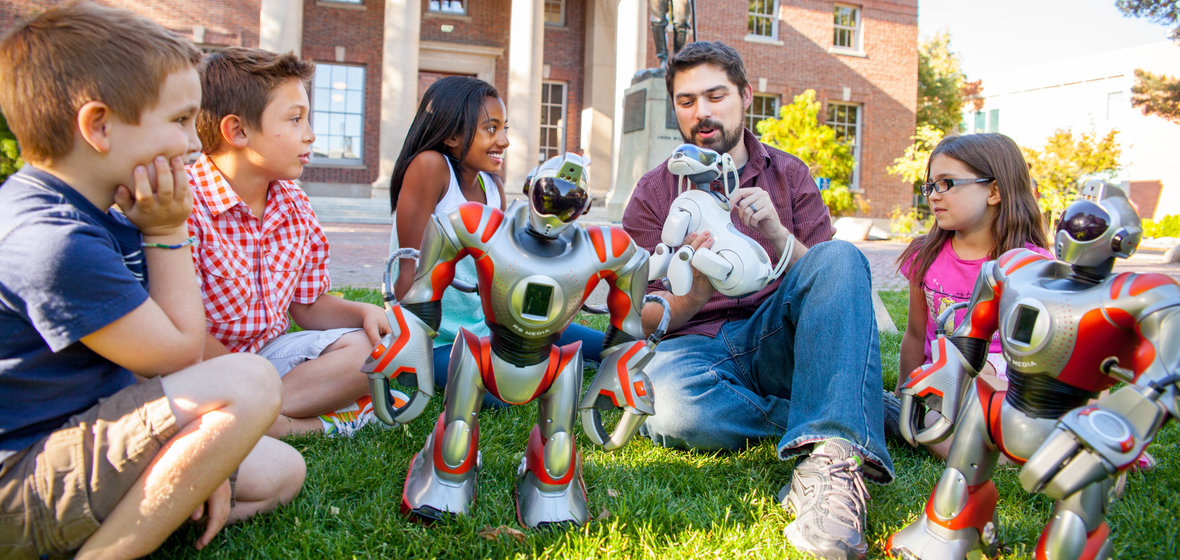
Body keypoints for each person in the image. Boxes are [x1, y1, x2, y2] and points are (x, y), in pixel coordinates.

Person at [0, 4, 305, 558]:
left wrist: (196, 458)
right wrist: (167, 231)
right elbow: (181, 354)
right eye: (181, 120)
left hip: (84, 438)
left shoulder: (105, 213)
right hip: (21, 480)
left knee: (283, 470)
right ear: (98, 126)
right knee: (251, 380)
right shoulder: (52, 239)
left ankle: (124, 519)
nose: (194, 143)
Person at [621, 41, 892, 560]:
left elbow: (831, 274)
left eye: (715, 95)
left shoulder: (788, 174)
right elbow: (637, 313)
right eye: (686, 101)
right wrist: (695, 293)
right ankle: (845, 412)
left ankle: (831, 459)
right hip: (695, 346)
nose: (701, 112)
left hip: (778, 335)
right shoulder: (656, 190)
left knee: (840, 255)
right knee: (672, 411)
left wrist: (773, 229)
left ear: (745, 96)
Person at [188, 47, 396, 438]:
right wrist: (245, 380)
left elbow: (307, 305)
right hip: (201, 365)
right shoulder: (186, 205)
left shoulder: (293, 201)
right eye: (295, 119)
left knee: (372, 353)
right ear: (237, 131)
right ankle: (294, 423)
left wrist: (363, 313)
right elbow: (186, 335)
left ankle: (260, 421)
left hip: (268, 359)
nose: (310, 134)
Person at [388, 76, 602, 408]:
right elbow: (409, 272)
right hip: (439, 341)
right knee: (501, 397)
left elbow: (507, 270)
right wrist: (409, 357)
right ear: (451, 135)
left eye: (505, 128)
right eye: (491, 129)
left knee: (603, 346)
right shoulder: (429, 168)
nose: (503, 141)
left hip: (491, 327)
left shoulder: (492, 185)